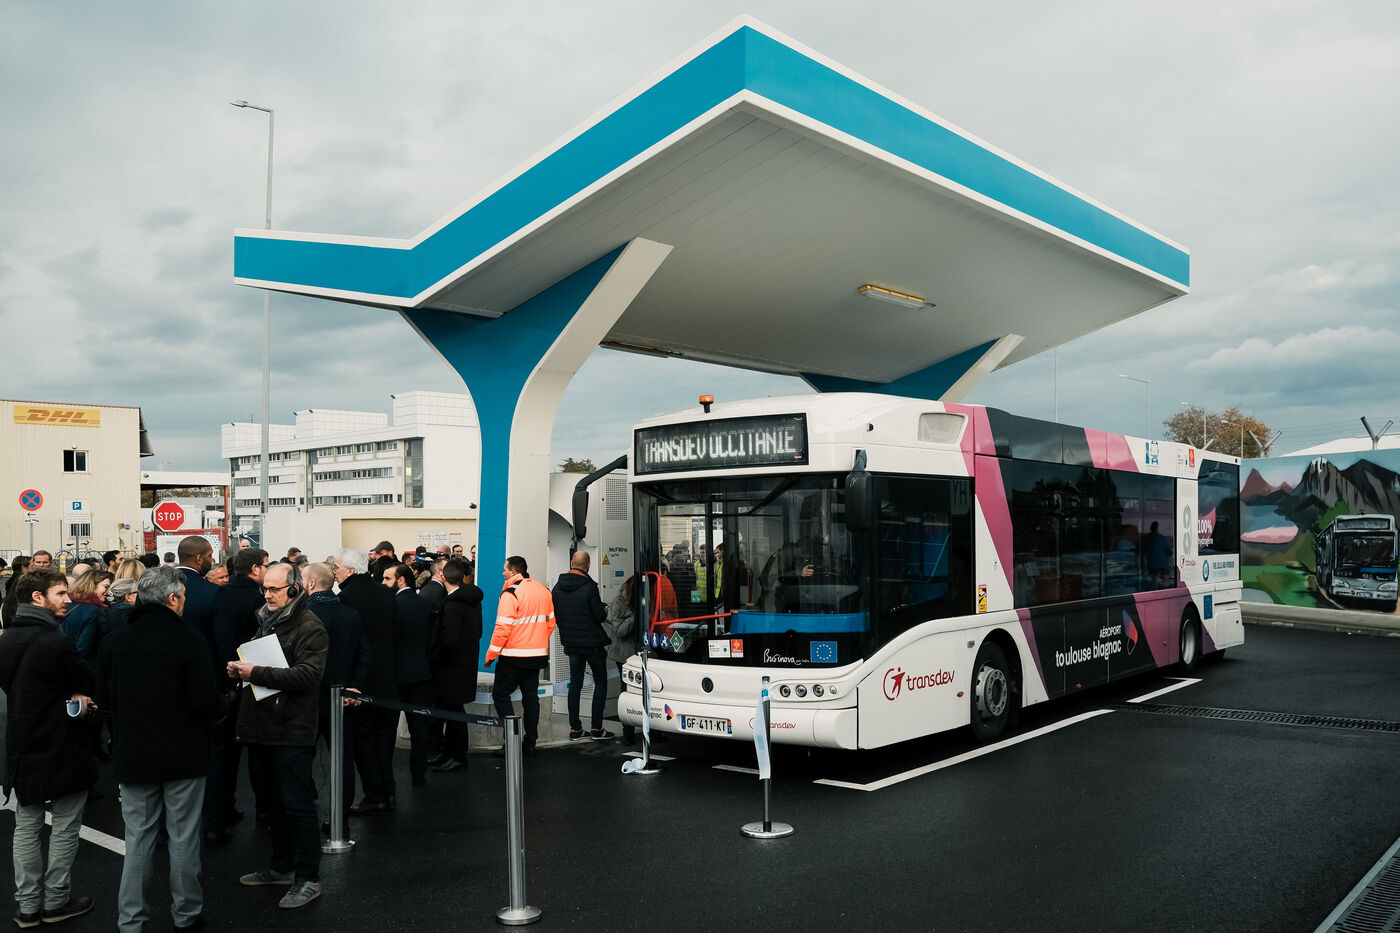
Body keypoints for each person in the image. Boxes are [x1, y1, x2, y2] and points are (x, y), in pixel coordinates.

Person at [98, 566, 229, 933]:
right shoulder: (189, 641)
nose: (184, 601)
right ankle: (186, 914)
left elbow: (104, 698)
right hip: (183, 753)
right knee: (183, 837)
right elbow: (205, 700)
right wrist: (224, 703)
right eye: (183, 596)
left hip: (133, 752)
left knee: (138, 838)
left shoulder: (115, 642)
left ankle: (131, 920)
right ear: (172, 599)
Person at [226, 562, 328, 910]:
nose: (267, 594)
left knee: (298, 806)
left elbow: (308, 676)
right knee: (274, 805)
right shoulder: (269, 620)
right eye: (265, 588)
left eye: (274, 589)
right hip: (264, 726)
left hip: (290, 729)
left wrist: (255, 671)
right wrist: (242, 671)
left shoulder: (309, 626)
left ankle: (308, 877)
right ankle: (281, 867)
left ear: (294, 589)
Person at [0, 569, 96, 927]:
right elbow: (86, 680)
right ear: (37, 597)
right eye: (60, 593)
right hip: (62, 743)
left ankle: (27, 906)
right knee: (65, 826)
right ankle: (55, 901)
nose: (68, 599)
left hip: (22, 744)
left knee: (26, 826)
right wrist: (77, 696)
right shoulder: (56, 641)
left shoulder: (6, 639)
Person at [205, 548, 270, 845]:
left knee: (223, 756)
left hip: (224, 684)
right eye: (266, 566)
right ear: (255, 569)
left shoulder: (219, 595)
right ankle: (264, 812)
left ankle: (219, 815)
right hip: (254, 683)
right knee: (259, 754)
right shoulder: (259, 599)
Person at [334, 549, 398, 814]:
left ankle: (375, 795)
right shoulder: (385, 592)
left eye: (337, 567)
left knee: (363, 740)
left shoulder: (346, 598)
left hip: (362, 679)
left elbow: (351, 643)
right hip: (388, 676)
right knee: (384, 739)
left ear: (350, 570)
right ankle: (388, 790)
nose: (334, 572)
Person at [302, 563, 367, 817]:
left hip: (308, 698)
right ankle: (342, 812)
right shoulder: (351, 614)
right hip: (342, 697)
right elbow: (364, 653)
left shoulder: (304, 614)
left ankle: (304, 808)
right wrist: (356, 686)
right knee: (343, 757)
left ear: (310, 584)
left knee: (301, 756)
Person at [486, 556, 556, 754]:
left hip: (513, 657)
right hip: (537, 656)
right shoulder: (543, 590)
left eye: (505, 569)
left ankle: (511, 742)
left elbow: (502, 628)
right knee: (531, 698)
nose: (502, 573)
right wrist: (537, 641)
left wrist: (491, 655)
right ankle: (530, 742)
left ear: (514, 572)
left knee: (501, 695)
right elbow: (551, 623)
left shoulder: (511, 593)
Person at [427, 559, 481, 772]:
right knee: (453, 712)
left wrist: (433, 657)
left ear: (443, 577)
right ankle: (451, 753)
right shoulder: (472, 601)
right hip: (465, 665)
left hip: (450, 669)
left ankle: (457, 756)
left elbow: (449, 640)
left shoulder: (452, 605)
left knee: (454, 714)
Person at [552, 551, 612, 740]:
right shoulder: (589, 587)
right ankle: (597, 728)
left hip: (571, 642)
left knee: (575, 683)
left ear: (572, 563)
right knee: (600, 681)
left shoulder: (557, 588)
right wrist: (603, 610)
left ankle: (575, 729)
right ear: (588, 565)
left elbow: (557, 614)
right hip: (592, 644)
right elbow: (599, 616)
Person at [382, 563, 433, 786]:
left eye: (387, 578)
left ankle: (385, 777)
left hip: (396, 674)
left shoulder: (392, 606)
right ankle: (418, 774)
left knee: (388, 727)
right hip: (420, 672)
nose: (383, 583)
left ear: (400, 580)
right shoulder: (426, 604)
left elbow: (388, 641)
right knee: (418, 726)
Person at [604, 575, 638, 743]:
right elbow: (619, 631)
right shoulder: (620, 600)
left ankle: (653, 730)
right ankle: (628, 732)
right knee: (627, 691)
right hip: (624, 654)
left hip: (642, 652)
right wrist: (636, 617)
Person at [61, 570, 112, 666]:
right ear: (92, 585)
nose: (108, 592)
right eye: (106, 586)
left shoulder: (67, 604)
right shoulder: (94, 611)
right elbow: (84, 646)